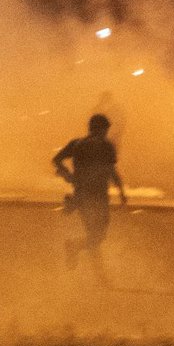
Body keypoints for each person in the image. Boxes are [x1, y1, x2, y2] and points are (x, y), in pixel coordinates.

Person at [53, 113, 127, 282]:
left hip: (80, 196)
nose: (106, 133)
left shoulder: (76, 144)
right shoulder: (105, 146)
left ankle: (100, 277)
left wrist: (68, 175)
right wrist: (121, 191)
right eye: (106, 129)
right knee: (97, 236)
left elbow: (56, 160)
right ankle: (76, 249)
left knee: (93, 234)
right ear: (101, 129)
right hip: (98, 197)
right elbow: (111, 171)